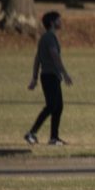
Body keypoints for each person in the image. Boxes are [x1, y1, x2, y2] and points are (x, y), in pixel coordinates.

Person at [25, 11, 72, 146]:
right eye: (58, 20)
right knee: (52, 106)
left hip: (51, 76)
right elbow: (54, 55)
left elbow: (37, 58)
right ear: (52, 23)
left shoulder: (46, 37)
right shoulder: (49, 37)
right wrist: (65, 73)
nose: (61, 22)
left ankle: (54, 138)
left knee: (58, 106)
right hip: (50, 76)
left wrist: (34, 78)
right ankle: (31, 133)